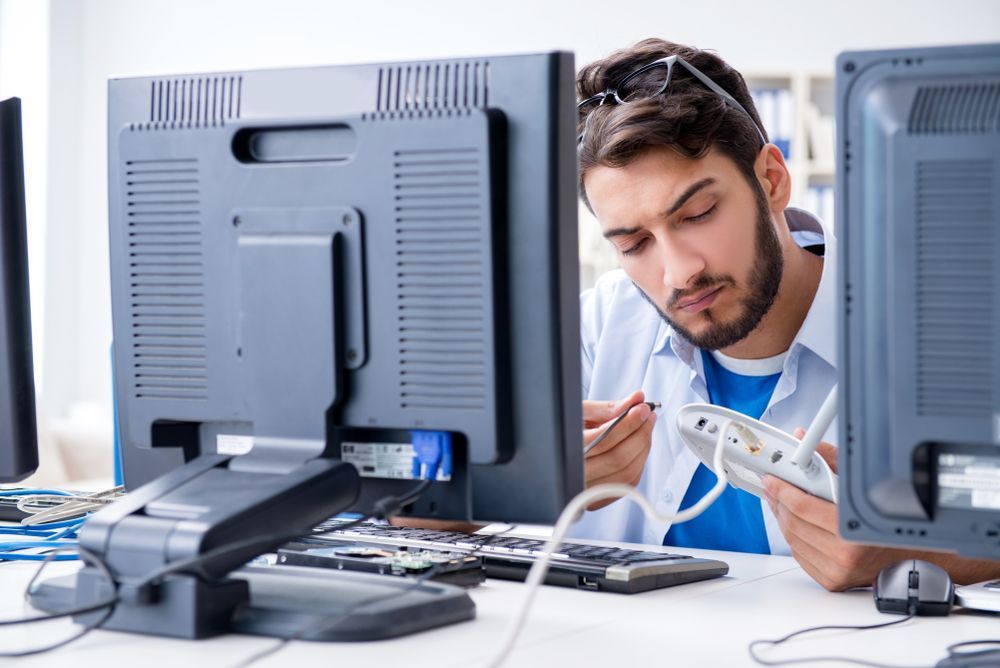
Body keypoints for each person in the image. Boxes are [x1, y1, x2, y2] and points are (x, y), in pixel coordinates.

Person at [571, 38, 1000, 591]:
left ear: (771, 180)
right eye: (633, 244)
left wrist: (918, 549)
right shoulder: (603, 324)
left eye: (698, 213)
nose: (678, 274)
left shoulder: (938, 330)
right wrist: (530, 482)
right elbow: (426, 508)